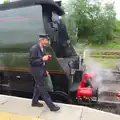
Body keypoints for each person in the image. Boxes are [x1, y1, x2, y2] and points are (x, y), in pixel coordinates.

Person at [29, 34, 60, 112]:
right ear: (41, 40)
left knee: (37, 87)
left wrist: (45, 69)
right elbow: (32, 62)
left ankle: (34, 102)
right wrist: (42, 58)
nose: (47, 41)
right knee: (42, 88)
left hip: (41, 70)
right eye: (46, 40)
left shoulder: (43, 48)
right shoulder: (34, 48)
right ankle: (51, 106)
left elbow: (43, 62)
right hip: (36, 71)